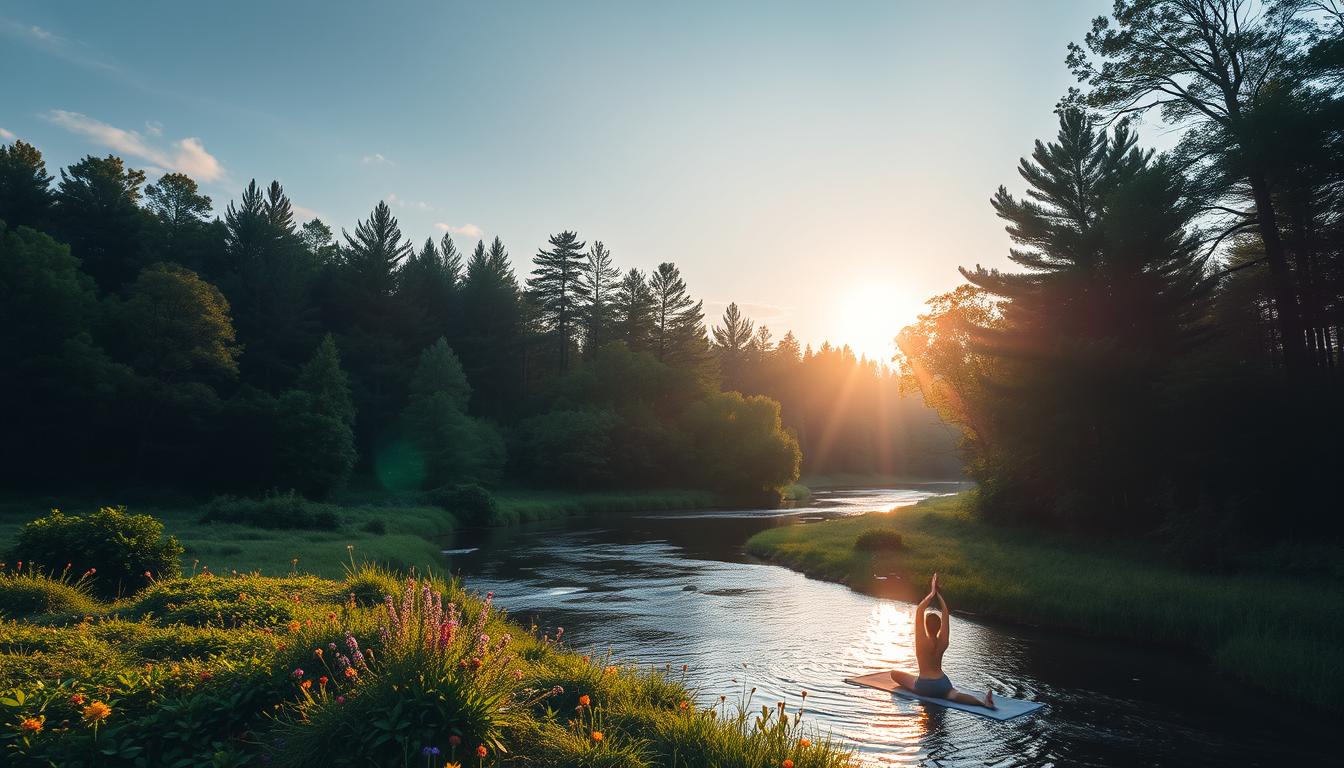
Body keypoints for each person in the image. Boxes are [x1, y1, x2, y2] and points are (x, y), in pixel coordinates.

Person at [890, 572, 995, 708]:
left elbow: (920, 610)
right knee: (954, 695)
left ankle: (918, 684)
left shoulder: (921, 642)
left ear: (925, 626)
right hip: (942, 684)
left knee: (894, 674)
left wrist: (932, 592)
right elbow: (945, 614)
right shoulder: (943, 641)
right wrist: (939, 595)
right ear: (939, 627)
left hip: (924, 686)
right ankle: (983, 703)